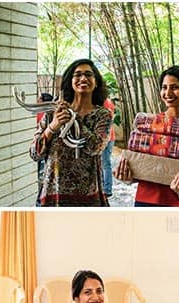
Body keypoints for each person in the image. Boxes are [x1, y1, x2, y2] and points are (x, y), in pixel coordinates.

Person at [114, 65, 179, 207]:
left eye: (174, 87)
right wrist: (128, 178)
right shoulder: (149, 125)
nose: (168, 92)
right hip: (144, 202)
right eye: (164, 87)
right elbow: (142, 168)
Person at [30, 59, 111, 207]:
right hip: (53, 196)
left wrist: (74, 117)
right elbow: (35, 154)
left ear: (96, 81)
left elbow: (95, 147)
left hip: (88, 197)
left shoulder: (102, 115)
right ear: (70, 81)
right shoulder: (53, 113)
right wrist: (53, 126)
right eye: (77, 75)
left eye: (88, 74)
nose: (83, 78)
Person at [101, 98, 116, 198]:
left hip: (106, 138)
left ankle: (107, 190)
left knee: (105, 163)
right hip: (109, 137)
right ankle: (104, 188)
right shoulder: (109, 101)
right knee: (104, 163)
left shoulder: (104, 102)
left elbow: (108, 121)